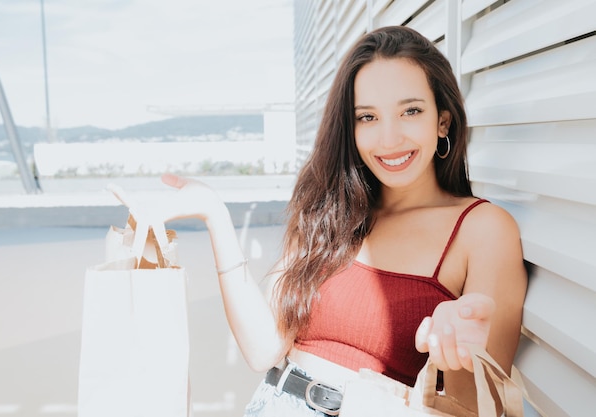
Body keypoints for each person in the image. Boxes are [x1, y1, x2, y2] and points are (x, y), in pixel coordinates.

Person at [161, 25, 527, 416]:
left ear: (443, 122)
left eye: (411, 111)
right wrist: (215, 215)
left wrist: (458, 352)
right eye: (367, 117)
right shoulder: (330, 212)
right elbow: (262, 349)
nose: (389, 139)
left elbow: (474, 409)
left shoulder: (484, 229)